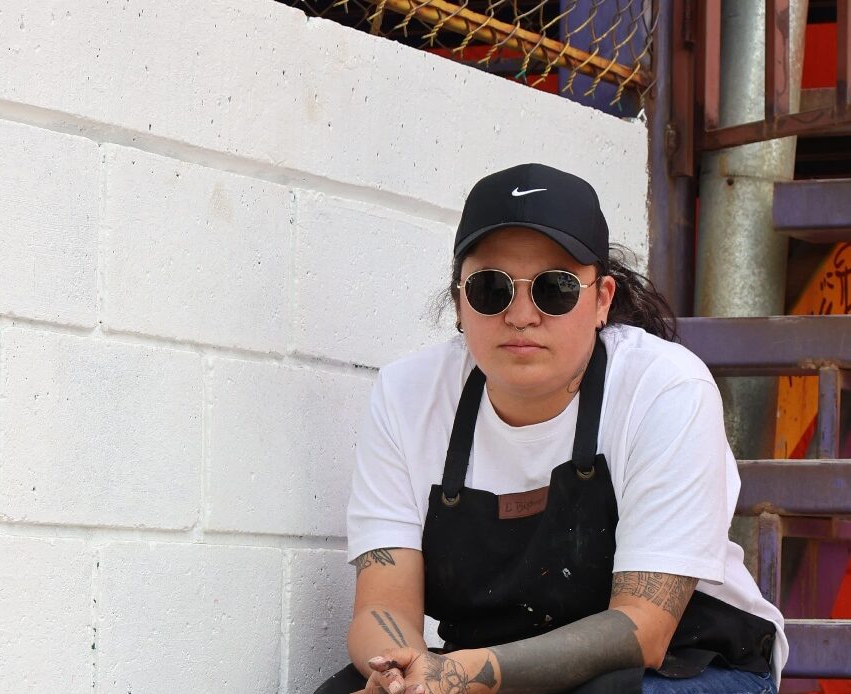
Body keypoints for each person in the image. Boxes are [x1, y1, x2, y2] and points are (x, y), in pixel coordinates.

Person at [313, 163, 786, 694]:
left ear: (602, 300)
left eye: (554, 289)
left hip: (686, 662)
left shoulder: (665, 387)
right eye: (490, 288)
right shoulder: (407, 394)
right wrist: (403, 676)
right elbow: (382, 603)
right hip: (488, 666)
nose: (520, 315)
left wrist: (459, 675)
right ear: (459, 301)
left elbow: (644, 629)